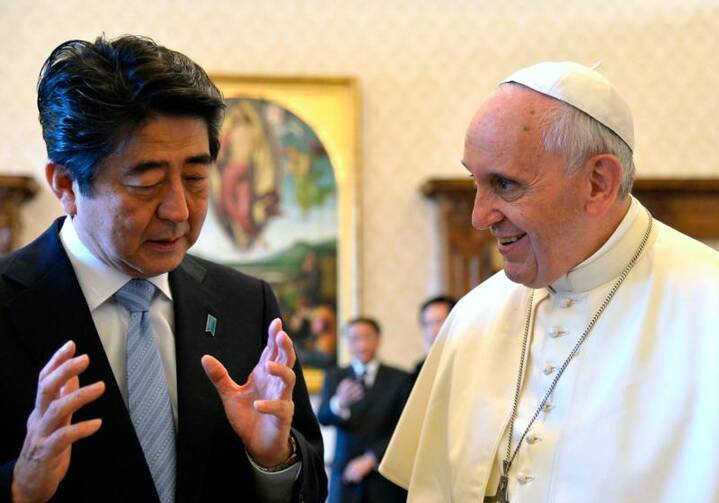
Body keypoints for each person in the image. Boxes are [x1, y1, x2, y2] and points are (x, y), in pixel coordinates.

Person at [0, 35, 326, 503]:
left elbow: (310, 487)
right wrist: (20, 485)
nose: (178, 210)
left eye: (196, 178)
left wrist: (273, 460)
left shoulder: (244, 303)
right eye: (147, 183)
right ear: (67, 184)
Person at [379, 61, 719, 502]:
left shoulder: (707, 310)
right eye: (475, 182)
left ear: (598, 182)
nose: (479, 216)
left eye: (505, 185)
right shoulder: (474, 316)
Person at [318, 318, 410, 503]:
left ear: (378, 339)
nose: (361, 343)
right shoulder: (336, 376)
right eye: (354, 338)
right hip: (344, 476)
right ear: (347, 342)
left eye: (367, 337)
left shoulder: (400, 378)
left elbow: (405, 428)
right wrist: (340, 402)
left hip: (384, 476)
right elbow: (323, 417)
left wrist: (371, 458)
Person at [412, 295, 456, 379]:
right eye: (427, 323)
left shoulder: (471, 356)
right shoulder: (421, 368)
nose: (433, 329)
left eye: (438, 321)